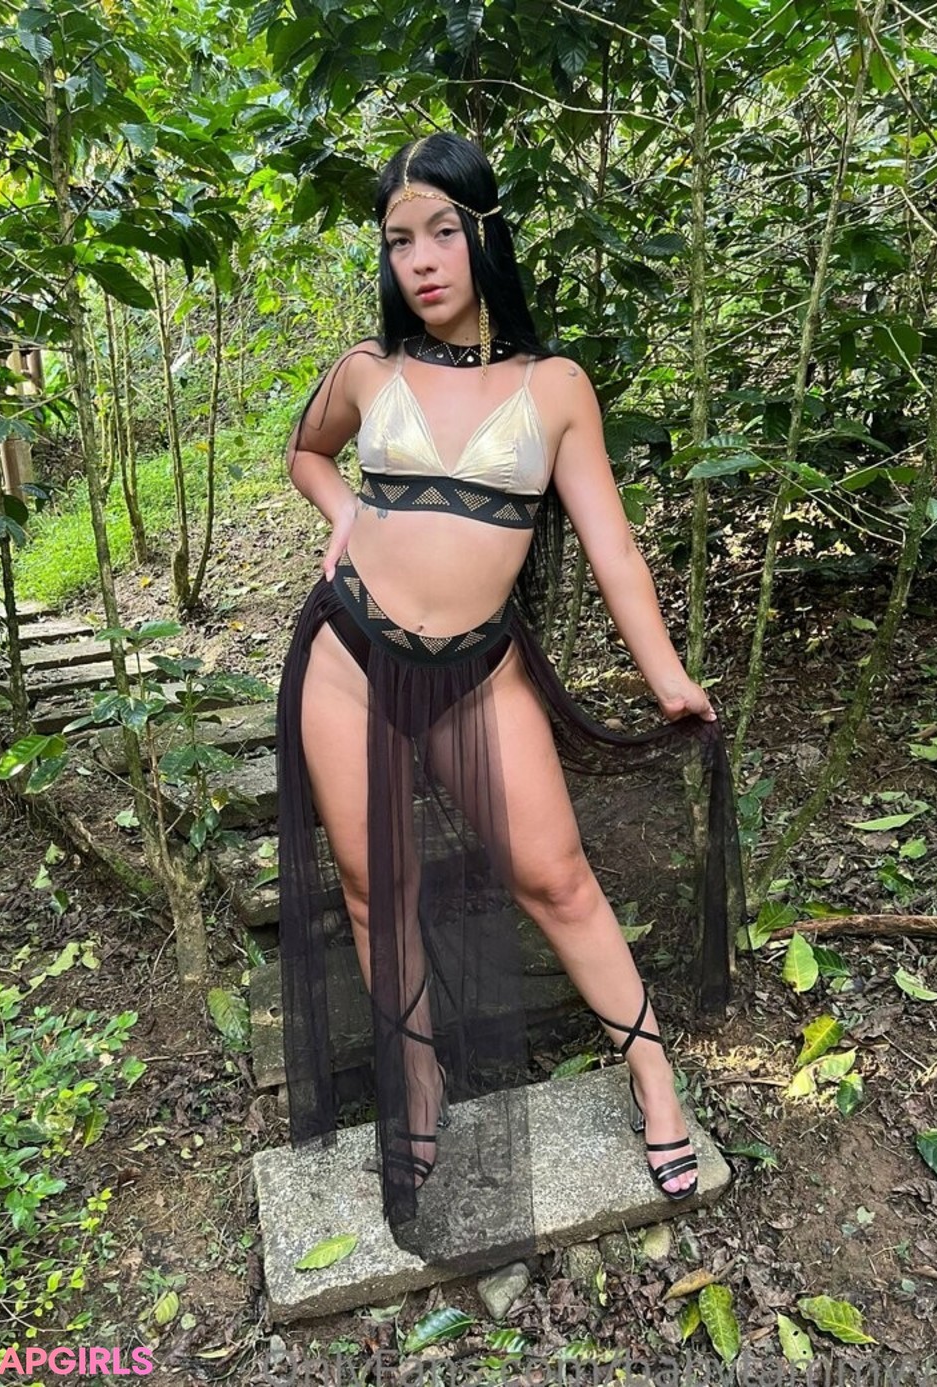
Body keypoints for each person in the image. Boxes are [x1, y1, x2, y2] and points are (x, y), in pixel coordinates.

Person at [276, 132, 742, 1270]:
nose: (421, 260)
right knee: (375, 889)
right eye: (399, 240)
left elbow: (614, 549)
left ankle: (655, 1079)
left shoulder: (554, 387)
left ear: (484, 234)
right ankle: (417, 1079)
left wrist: (666, 676)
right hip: (347, 658)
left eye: (442, 231)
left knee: (558, 877)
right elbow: (307, 456)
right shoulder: (367, 371)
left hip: (479, 671)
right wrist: (346, 514)